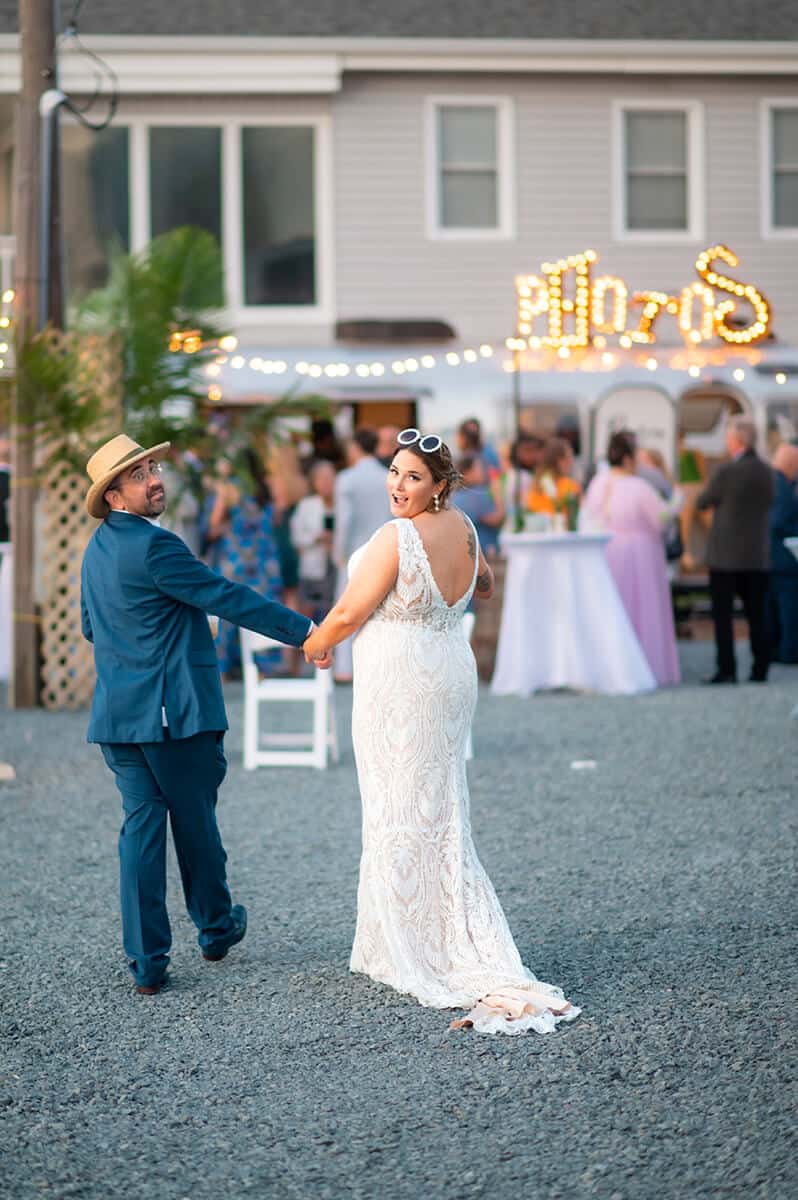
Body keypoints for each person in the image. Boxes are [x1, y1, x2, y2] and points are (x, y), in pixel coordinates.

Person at [303, 428, 580, 1035]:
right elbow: (481, 582)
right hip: (450, 671)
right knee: (438, 803)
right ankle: (427, 926)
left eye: (413, 478)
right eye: (396, 472)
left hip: (402, 682)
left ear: (437, 487)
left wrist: (316, 644)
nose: (398, 486)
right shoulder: (465, 526)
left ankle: (411, 943)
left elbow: (348, 612)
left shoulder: (396, 536)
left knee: (398, 803)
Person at [80, 434, 329, 995]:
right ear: (115, 495)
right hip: (173, 714)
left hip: (119, 715)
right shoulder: (155, 547)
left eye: (152, 467)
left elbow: (92, 627)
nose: (154, 478)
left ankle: (147, 964)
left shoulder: (97, 548)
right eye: (139, 474)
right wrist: (306, 632)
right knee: (195, 824)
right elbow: (227, 595)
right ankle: (216, 928)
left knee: (142, 830)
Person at [583, 431, 681, 686]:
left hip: (608, 551)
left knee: (617, 607)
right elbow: (660, 521)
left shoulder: (598, 484)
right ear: (627, 459)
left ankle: (613, 667)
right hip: (641, 553)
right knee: (644, 606)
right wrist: (676, 506)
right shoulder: (640, 488)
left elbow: (589, 517)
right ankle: (649, 666)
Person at [696, 416, 775, 684]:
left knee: (723, 617)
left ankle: (727, 668)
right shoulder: (767, 471)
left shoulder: (726, 472)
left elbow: (703, 501)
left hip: (726, 556)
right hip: (757, 554)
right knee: (757, 615)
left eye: (729, 438)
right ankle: (760, 667)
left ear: (738, 441)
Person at [206, 450, 285, 679]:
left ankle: (220, 669)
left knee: (226, 615)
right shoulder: (264, 488)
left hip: (234, 561)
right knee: (262, 613)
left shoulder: (229, 489)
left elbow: (213, 525)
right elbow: (277, 518)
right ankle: (262, 668)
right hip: (263, 563)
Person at [332, 428, 391, 682]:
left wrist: (338, 553)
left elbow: (344, 520)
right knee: (381, 609)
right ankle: (379, 666)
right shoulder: (386, 477)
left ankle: (345, 667)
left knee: (346, 608)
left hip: (355, 549)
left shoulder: (347, 478)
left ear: (355, 447)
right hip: (384, 549)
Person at [291, 459, 338, 623]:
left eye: (330, 478)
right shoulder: (307, 506)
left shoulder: (342, 505)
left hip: (336, 567)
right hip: (313, 570)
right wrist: (317, 537)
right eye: (322, 478)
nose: (327, 483)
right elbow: (297, 538)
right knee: (308, 613)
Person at [766, 442, 798, 663]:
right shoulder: (783, 488)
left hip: (771, 556)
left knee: (775, 607)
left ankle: (778, 649)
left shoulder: (772, 482)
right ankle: (788, 651)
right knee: (788, 607)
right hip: (783, 556)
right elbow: (778, 522)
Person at [455, 452, 505, 557]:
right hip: (484, 551)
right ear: (467, 472)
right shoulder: (477, 494)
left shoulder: (455, 495)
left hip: (464, 552)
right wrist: (498, 494)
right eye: (479, 468)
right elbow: (497, 519)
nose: (483, 471)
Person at [527, 437, 582, 521]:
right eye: (569, 458)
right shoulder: (569, 486)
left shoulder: (536, 484)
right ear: (559, 461)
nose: (571, 462)